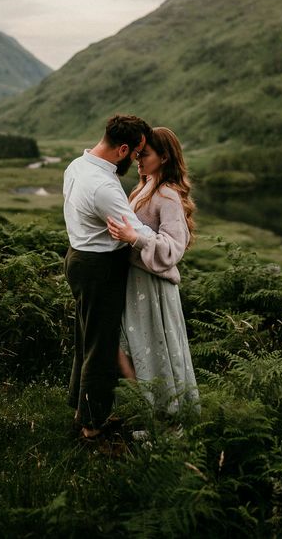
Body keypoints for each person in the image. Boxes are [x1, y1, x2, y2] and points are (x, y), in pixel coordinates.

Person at [63, 113, 154, 442]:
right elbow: (136, 231)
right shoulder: (103, 185)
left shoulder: (77, 165)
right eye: (134, 155)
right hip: (100, 268)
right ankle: (93, 427)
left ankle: (81, 409)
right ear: (123, 148)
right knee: (102, 349)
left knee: (86, 340)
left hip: (79, 259)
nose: (135, 161)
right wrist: (167, 243)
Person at [107, 126, 200, 417]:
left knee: (154, 351)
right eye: (137, 152)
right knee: (130, 348)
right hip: (135, 284)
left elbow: (174, 248)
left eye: (144, 154)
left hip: (154, 287)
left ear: (163, 157)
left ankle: (163, 418)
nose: (137, 158)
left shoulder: (168, 194)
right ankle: (144, 411)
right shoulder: (142, 187)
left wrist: (135, 238)